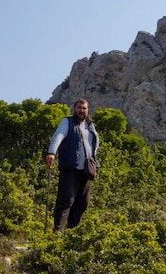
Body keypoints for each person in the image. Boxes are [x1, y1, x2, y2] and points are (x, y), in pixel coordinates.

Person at [45, 98, 100, 232]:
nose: (82, 110)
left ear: (88, 110)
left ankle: (72, 233)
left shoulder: (90, 124)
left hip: (86, 170)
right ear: (74, 109)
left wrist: (92, 158)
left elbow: (95, 142)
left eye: (84, 108)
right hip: (70, 167)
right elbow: (58, 136)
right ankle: (58, 233)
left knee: (83, 202)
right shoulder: (67, 122)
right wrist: (52, 152)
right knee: (66, 200)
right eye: (79, 108)